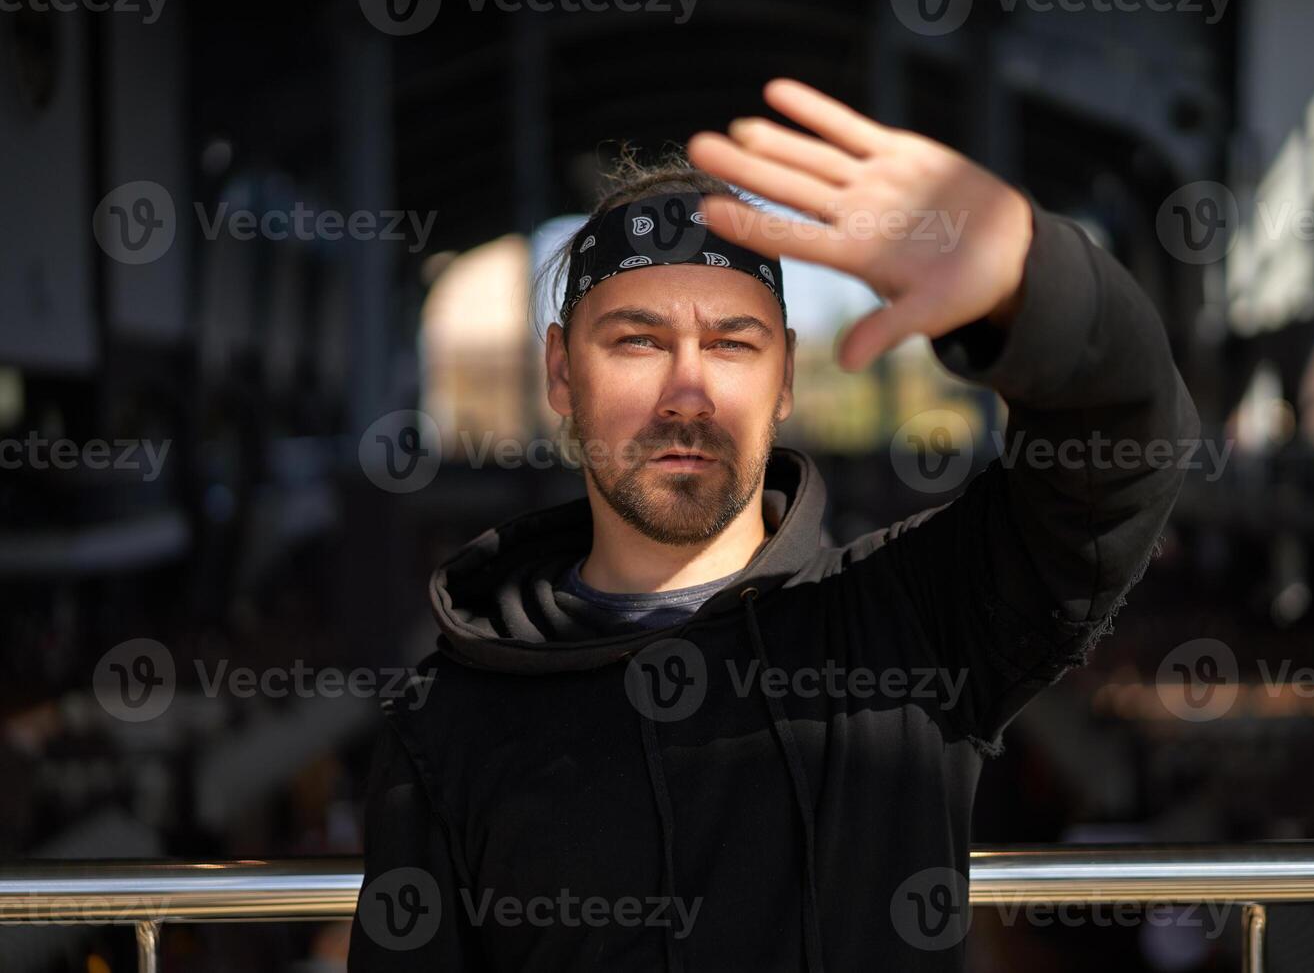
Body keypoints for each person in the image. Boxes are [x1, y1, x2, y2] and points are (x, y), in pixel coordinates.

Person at [348, 77, 1199, 972]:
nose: (688, 392)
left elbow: (1127, 453)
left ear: (785, 375)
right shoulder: (448, 714)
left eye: (732, 343)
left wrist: (1036, 277)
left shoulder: (914, 623)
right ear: (562, 373)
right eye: (637, 341)